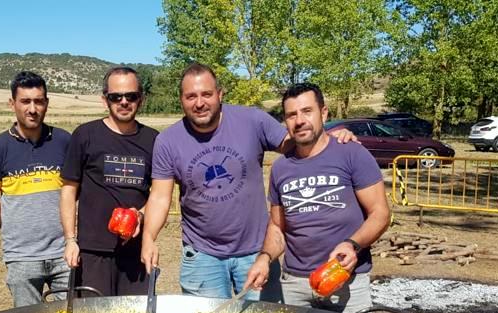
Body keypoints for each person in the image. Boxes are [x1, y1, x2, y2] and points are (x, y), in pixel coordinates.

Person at [140, 63, 355, 300]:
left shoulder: (252, 120)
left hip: (257, 252)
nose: (199, 103)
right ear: (181, 99)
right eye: (191, 96)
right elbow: (160, 196)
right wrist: (149, 238)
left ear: (220, 94)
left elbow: (293, 142)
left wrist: (329, 137)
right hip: (202, 255)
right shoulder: (168, 141)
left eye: (207, 94)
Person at [245, 83, 390, 313]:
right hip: (295, 285)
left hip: (345, 280)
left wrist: (353, 245)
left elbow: (380, 213)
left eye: (307, 111)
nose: (299, 120)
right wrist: (264, 258)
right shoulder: (281, 168)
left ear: (323, 113)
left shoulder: (352, 153)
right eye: (292, 115)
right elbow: (277, 226)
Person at [60, 67, 157, 296]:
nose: (123, 102)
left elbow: (159, 193)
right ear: (105, 100)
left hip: (136, 251)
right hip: (93, 251)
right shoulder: (85, 135)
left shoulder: (154, 140)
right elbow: (68, 190)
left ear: (140, 99)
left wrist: (141, 215)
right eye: (116, 97)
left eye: (131, 96)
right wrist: (70, 239)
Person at [0, 72, 71, 306]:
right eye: (25, 101)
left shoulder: (64, 141)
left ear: (47, 104)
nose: (33, 109)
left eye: (39, 101)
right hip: (22, 258)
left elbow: (74, 191)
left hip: (64, 253)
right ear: (12, 104)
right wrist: (18, 225)